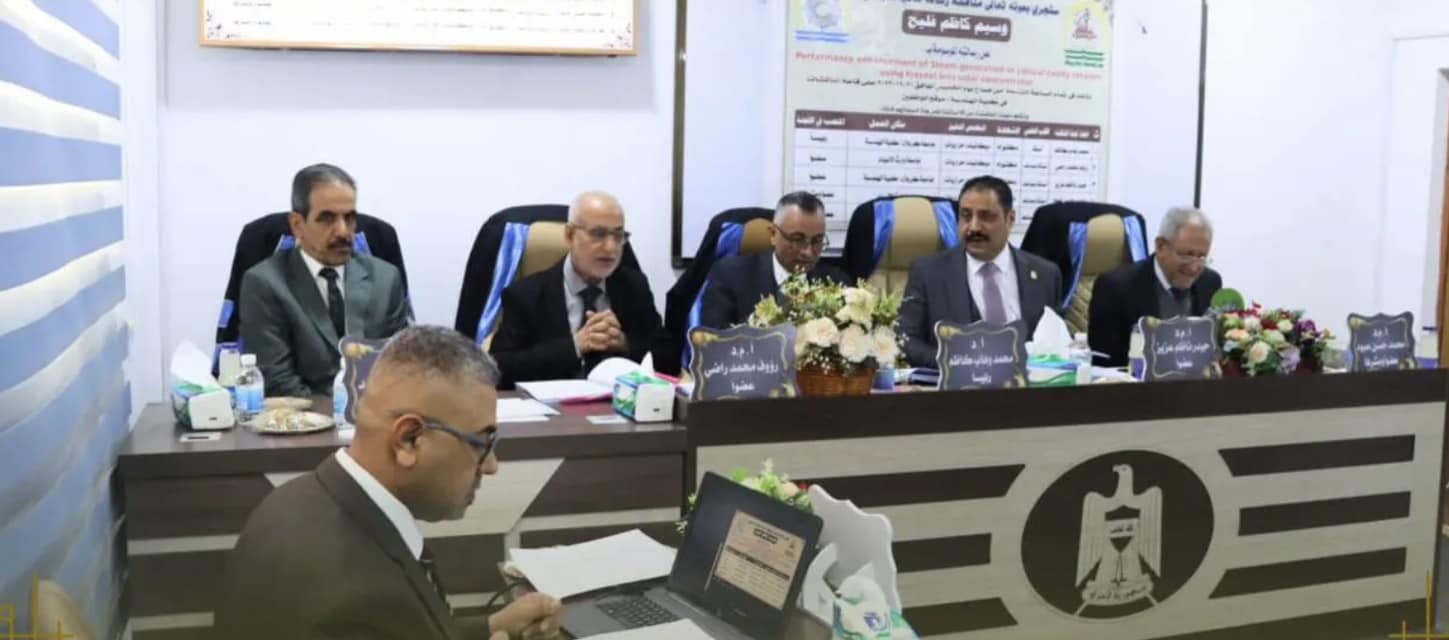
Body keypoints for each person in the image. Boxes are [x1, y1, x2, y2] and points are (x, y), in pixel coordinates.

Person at [214, 326, 560, 640]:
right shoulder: (360, 602)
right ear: (409, 439)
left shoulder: (294, 501)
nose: (492, 466)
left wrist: (492, 627)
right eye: (481, 443)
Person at [239, 164, 411, 396]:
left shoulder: (386, 278)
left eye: (350, 218)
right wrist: (343, 412)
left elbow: (401, 366)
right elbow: (278, 382)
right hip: (306, 415)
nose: (343, 231)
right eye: (327, 219)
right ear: (297, 225)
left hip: (378, 412)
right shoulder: (265, 284)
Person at [489, 191, 661, 387]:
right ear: (569, 235)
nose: (611, 247)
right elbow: (499, 368)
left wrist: (625, 343)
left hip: (617, 402)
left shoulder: (634, 287)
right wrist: (574, 346)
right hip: (552, 403)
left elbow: (669, 356)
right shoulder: (526, 295)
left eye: (618, 235)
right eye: (598, 234)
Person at [898, 175, 1063, 367]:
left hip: (1028, 383)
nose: (974, 227)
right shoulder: (929, 273)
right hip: (957, 383)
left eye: (986, 217)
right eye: (966, 216)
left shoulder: (1046, 274)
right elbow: (906, 340)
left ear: (1010, 219)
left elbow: (1056, 341)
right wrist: (955, 363)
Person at [1088, 207, 1222, 367]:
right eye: (1186, 255)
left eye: (1201, 257)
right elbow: (1104, 362)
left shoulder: (1210, 283)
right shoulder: (1116, 288)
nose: (1194, 268)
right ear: (1161, 246)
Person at [699, 192, 848, 329]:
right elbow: (714, 340)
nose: (808, 252)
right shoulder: (729, 276)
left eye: (817, 241)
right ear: (773, 235)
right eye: (797, 239)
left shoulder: (837, 283)